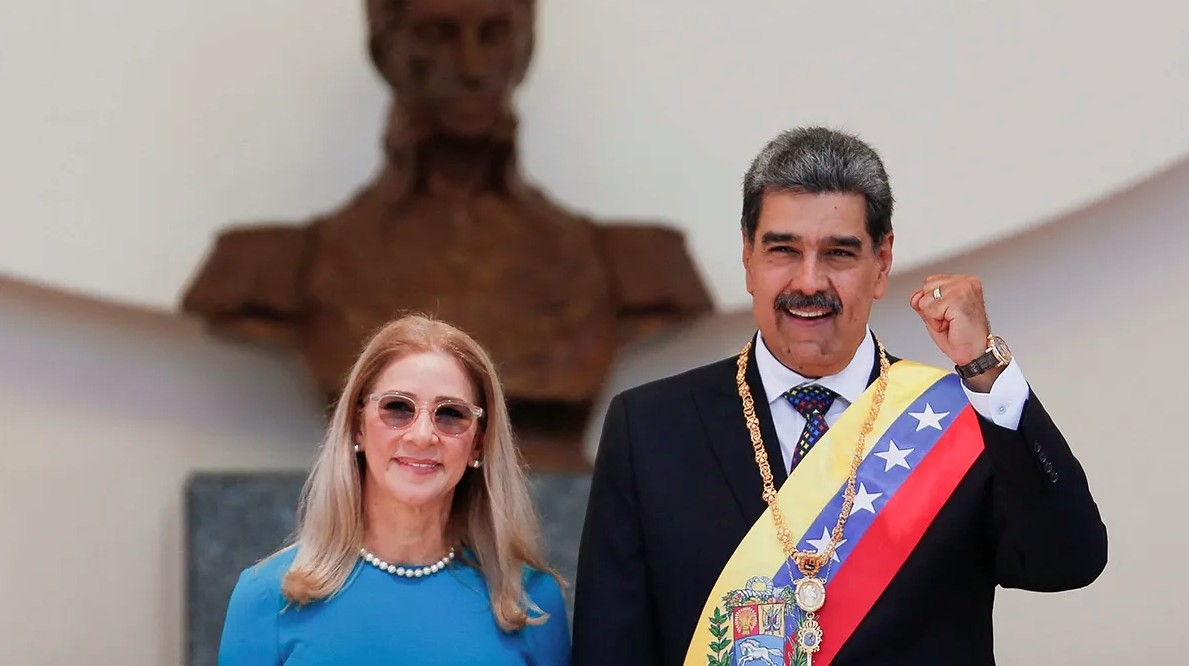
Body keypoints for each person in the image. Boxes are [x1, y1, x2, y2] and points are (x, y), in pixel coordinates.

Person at [571, 127, 1107, 665]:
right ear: (748, 257)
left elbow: (1066, 560)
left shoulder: (961, 415)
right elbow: (611, 648)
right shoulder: (650, 428)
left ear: (882, 262)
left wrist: (985, 369)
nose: (809, 282)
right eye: (783, 250)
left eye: (838, 254)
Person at [218, 314, 571, 665]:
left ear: (478, 443)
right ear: (357, 426)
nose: (422, 436)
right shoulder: (266, 597)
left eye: (450, 413)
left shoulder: (531, 602)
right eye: (398, 407)